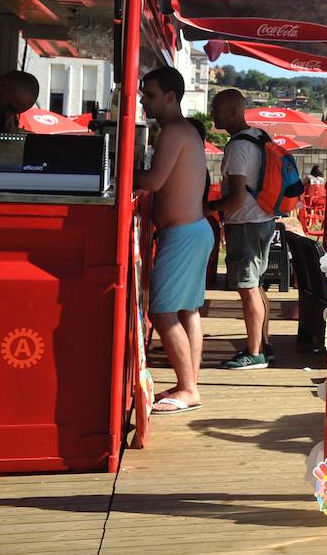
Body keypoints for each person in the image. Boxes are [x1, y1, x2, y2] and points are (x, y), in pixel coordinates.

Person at [133, 67, 210, 413]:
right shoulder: (184, 131)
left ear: (170, 97)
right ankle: (188, 384)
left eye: (149, 94)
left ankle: (189, 388)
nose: (143, 100)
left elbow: (153, 181)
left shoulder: (174, 131)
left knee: (163, 311)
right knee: (187, 311)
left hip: (182, 234)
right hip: (193, 231)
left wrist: (121, 169)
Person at [208, 88, 276, 371]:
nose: (213, 114)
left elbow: (235, 197)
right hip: (263, 218)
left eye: (218, 109)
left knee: (248, 288)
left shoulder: (237, 146)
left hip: (246, 222)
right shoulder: (259, 136)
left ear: (233, 112)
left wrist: (206, 207)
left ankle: (254, 353)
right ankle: (263, 344)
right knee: (257, 285)